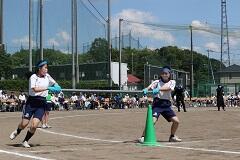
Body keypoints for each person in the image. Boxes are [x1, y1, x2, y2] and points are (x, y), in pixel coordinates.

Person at [9, 60, 61, 148]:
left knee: (34, 125)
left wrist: (57, 87)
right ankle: (17, 131)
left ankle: (25, 141)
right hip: (32, 102)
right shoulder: (33, 77)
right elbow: (35, 89)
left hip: (41, 103)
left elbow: (56, 84)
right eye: (45, 67)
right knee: (24, 124)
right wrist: (48, 88)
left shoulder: (47, 76)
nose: (46, 69)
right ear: (39, 69)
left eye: (47, 67)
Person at [139, 66, 181, 143]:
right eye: (163, 73)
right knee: (152, 121)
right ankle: (143, 137)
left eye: (166, 73)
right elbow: (149, 87)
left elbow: (169, 88)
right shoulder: (156, 82)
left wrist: (158, 89)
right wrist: (146, 89)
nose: (164, 75)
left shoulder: (172, 82)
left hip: (166, 105)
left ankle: (172, 136)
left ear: (169, 74)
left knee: (176, 121)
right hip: (157, 104)